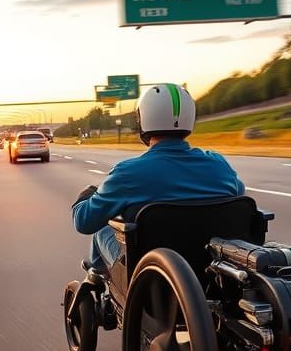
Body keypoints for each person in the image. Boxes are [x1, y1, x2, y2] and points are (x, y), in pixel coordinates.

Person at [71, 83, 245, 280]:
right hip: (212, 268)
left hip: (151, 275)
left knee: (102, 227)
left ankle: (100, 278)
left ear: (143, 120)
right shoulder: (219, 164)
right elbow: (237, 194)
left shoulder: (128, 173)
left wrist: (83, 198)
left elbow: (84, 223)